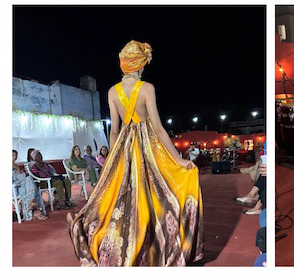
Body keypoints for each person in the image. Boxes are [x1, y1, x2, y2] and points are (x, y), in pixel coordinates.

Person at [68, 41, 201, 265]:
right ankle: (154, 246)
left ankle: (120, 243)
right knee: (158, 193)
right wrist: (178, 158)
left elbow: (114, 131)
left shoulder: (112, 91)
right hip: (148, 145)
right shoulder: (147, 88)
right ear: (140, 65)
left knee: (122, 198)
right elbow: (158, 128)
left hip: (123, 147)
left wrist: (111, 159)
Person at [13, 150, 47, 219]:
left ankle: (33, 205)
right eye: (13, 155)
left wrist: (17, 168)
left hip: (21, 186)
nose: (15, 157)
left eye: (16, 155)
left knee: (28, 178)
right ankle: (35, 209)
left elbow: (22, 178)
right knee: (29, 184)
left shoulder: (16, 166)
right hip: (14, 188)